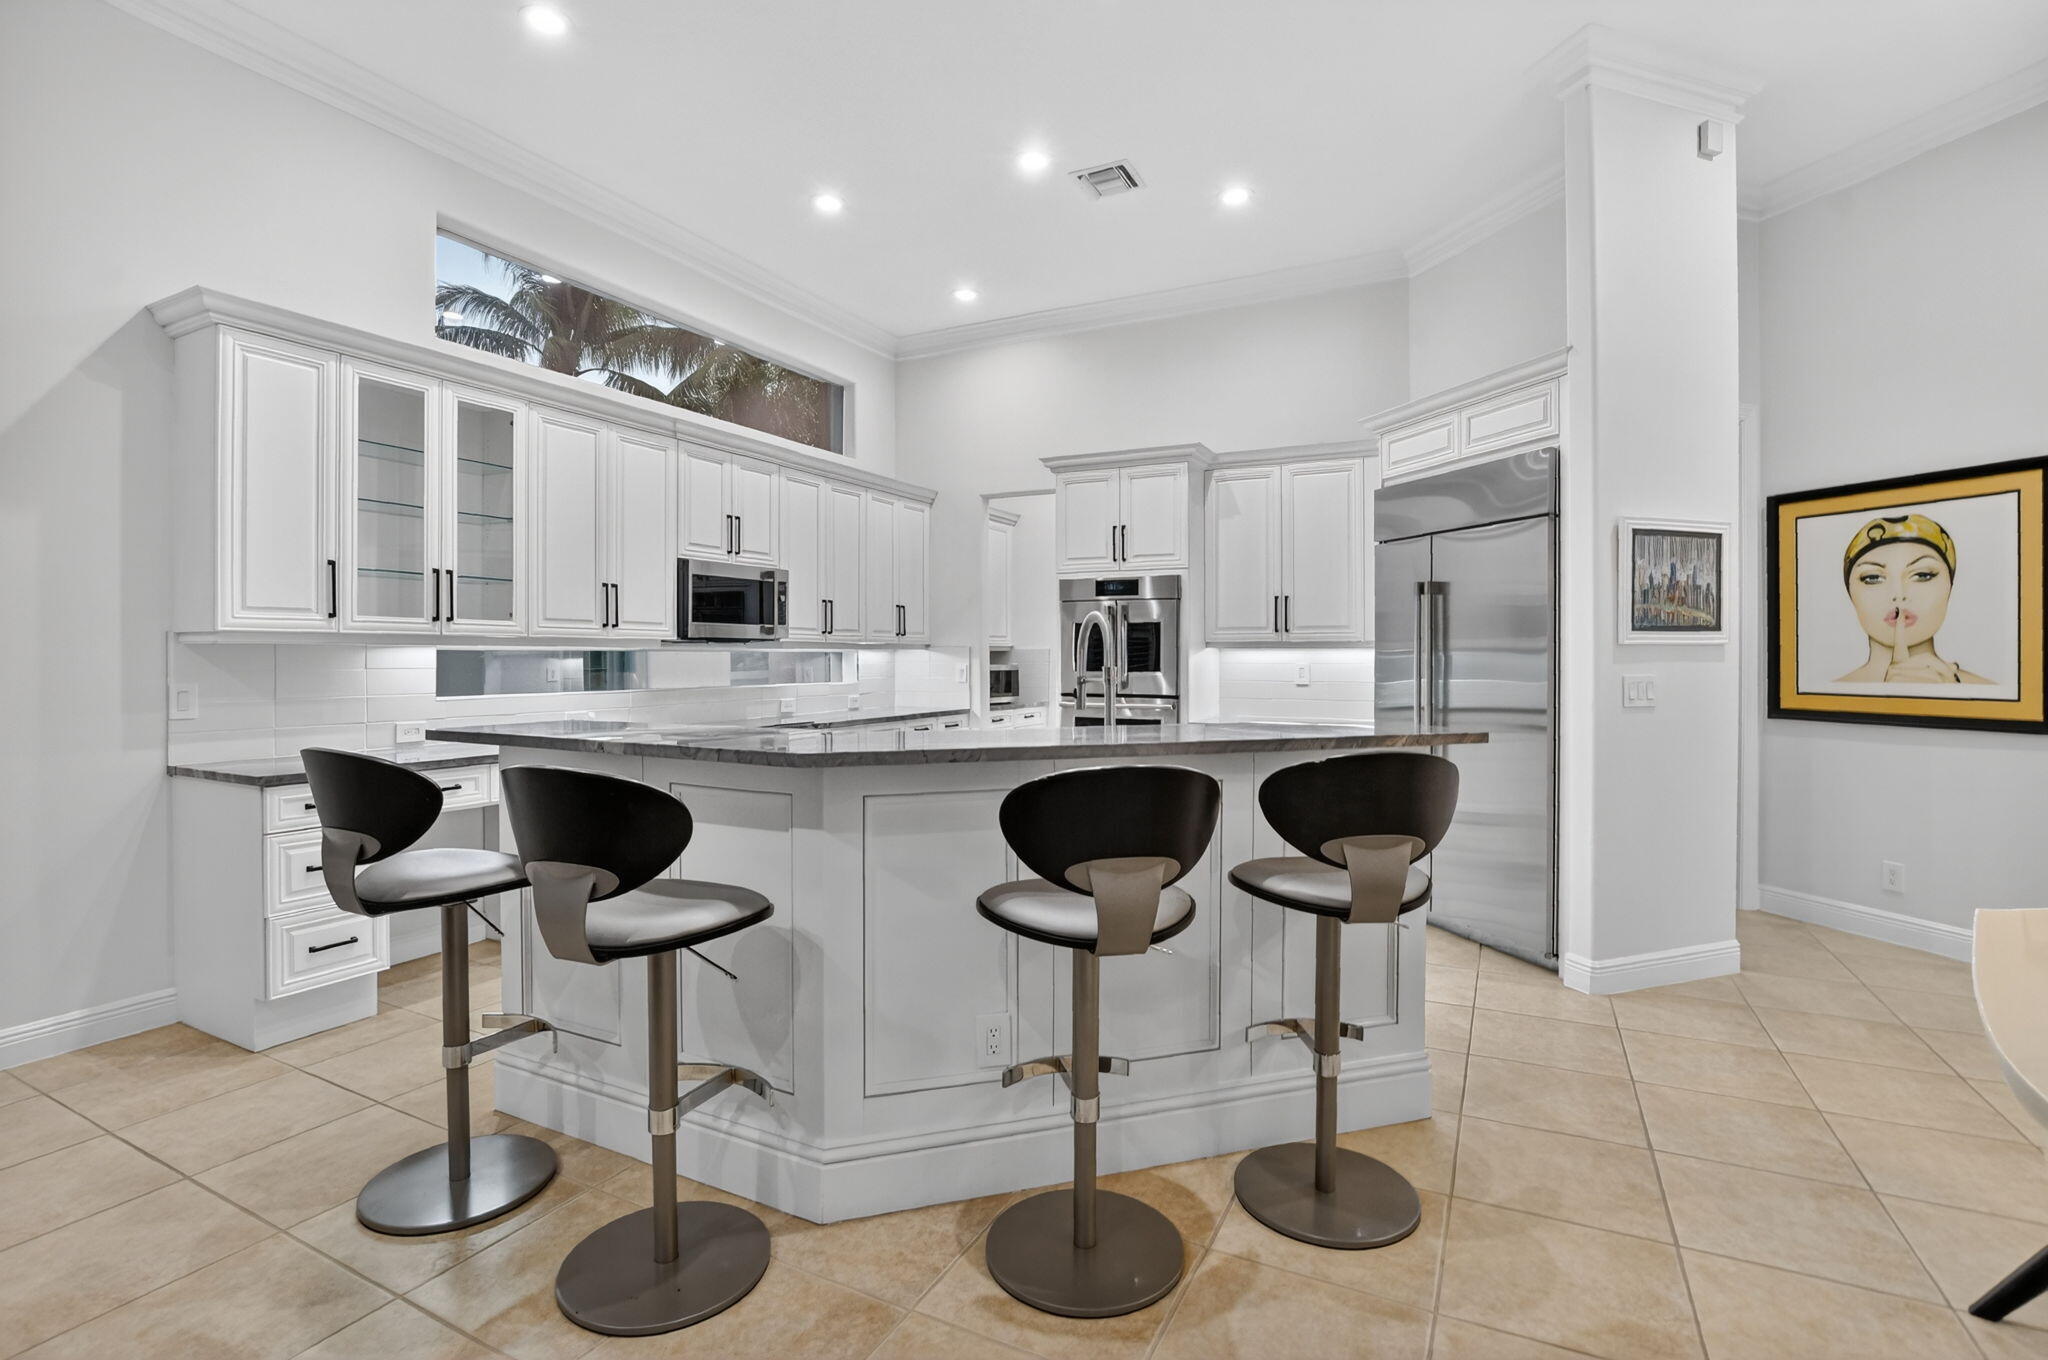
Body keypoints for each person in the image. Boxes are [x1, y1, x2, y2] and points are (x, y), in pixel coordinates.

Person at [1835, 513, 1992, 684]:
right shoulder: (1827, 695)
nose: (1899, 594)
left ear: (1950, 586)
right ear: (1850, 591)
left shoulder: (1988, 691)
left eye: (1923, 575)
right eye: (1872, 578)